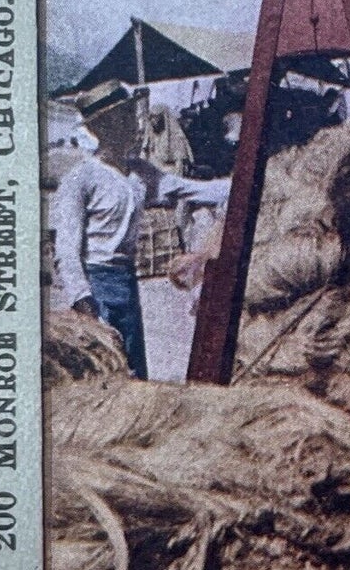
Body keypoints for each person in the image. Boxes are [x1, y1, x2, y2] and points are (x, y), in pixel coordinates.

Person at [53, 81, 231, 378]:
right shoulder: (81, 179)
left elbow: (192, 190)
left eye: (131, 114)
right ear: (103, 127)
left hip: (126, 281)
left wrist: (250, 178)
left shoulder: (140, 173)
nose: (134, 123)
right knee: (105, 372)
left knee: (134, 367)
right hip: (96, 284)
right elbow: (67, 249)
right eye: (123, 118)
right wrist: (82, 299)